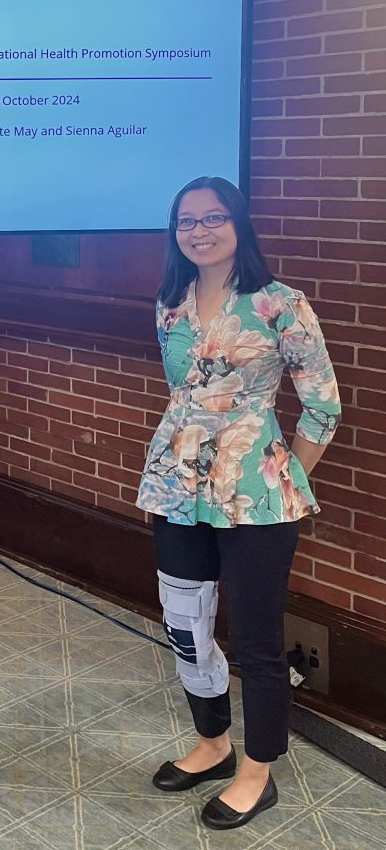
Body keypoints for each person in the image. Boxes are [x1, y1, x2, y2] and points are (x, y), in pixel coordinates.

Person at [137, 176, 340, 831]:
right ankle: (213, 744)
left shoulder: (280, 304)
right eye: (186, 220)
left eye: (213, 217)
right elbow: (182, 394)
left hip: (255, 493)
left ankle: (258, 770)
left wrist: (288, 479)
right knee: (184, 625)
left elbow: (323, 405)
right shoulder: (169, 302)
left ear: (239, 225)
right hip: (177, 484)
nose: (198, 230)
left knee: (254, 640)